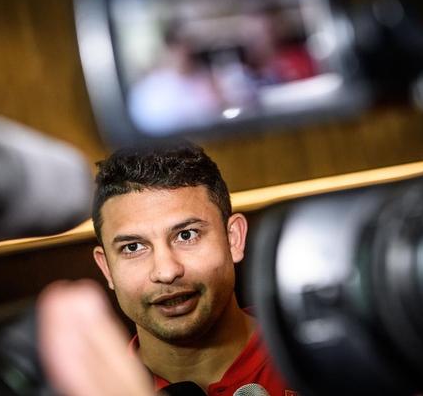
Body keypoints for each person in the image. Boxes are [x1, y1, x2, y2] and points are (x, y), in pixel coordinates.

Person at [39, 143, 294, 395]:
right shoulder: (89, 390)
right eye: (133, 247)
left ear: (233, 239)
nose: (166, 271)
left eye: (186, 235)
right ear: (106, 268)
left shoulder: (309, 352)